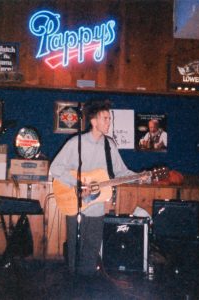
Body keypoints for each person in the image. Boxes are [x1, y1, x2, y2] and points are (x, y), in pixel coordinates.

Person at [49, 99, 149, 276]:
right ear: (93, 121)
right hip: (74, 203)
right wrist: (78, 184)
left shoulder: (109, 145)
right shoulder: (76, 143)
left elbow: (120, 171)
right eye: (105, 118)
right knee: (75, 247)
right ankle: (73, 284)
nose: (109, 122)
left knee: (92, 248)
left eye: (109, 119)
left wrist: (139, 177)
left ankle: (87, 285)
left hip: (96, 206)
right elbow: (55, 168)